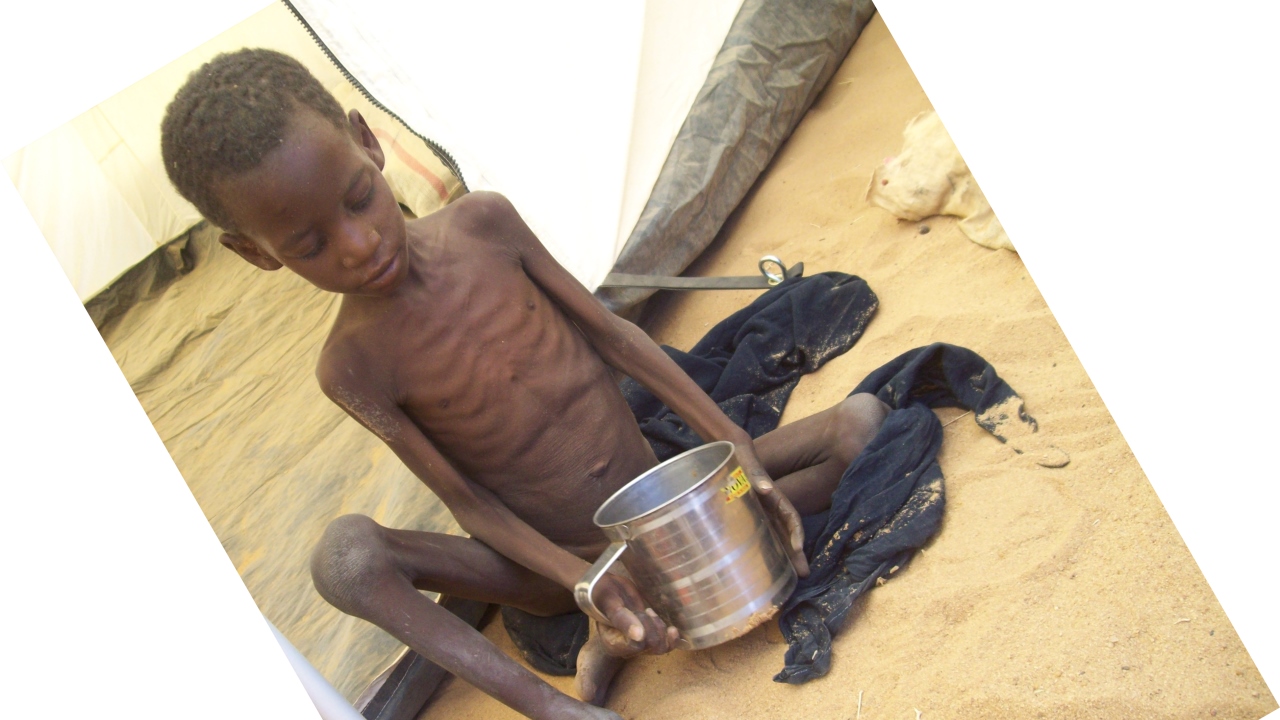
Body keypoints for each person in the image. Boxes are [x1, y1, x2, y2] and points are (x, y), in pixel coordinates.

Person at [161, 48, 889, 720]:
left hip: (676, 501)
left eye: (358, 197)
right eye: (309, 246)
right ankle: (565, 704)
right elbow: (469, 502)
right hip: (552, 569)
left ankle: (640, 613)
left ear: (368, 140)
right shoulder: (351, 370)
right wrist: (584, 582)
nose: (359, 245)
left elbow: (619, 340)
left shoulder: (486, 224)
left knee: (857, 425)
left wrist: (738, 452)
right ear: (254, 254)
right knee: (344, 559)